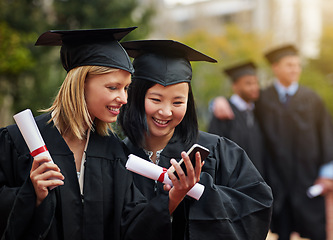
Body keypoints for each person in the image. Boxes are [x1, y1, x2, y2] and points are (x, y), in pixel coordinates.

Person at [0, 28, 201, 240]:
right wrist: (32, 195)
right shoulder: (17, 141)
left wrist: (173, 196)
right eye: (113, 87)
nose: (123, 98)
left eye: (126, 88)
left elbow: (133, 227)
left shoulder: (112, 150)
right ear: (80, 84)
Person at [118, 39, 273, 240]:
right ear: (136, 96)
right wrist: (170, 200)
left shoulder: (216, 150)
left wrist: (202, 189)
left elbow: (257, 206)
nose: (166, 111)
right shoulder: (117, 156)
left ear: (188, 102)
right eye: (156, 99)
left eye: (178, 102)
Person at [211, 44, 333, 240]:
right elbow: (239, 106)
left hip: (307, 180)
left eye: (297, 65)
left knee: (316, 231)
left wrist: (326, 175)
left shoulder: (312, 98)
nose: (295, 69)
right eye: (289, 65)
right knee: (279, 231)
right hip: (277, 183)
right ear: (276, 68)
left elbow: (327, 136)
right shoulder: (263, 99)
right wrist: (216, 102)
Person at [207, 61, 266, 175]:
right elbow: (215, 150)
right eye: (248, 83)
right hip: (234, 179)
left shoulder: (257, 110)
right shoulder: (224, 113)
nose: (254, 87)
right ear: (235, 86)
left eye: (256, 83)